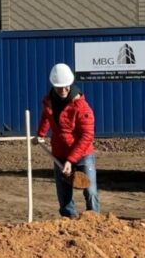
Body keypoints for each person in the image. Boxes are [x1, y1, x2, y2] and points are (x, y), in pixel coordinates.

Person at [37, 63, 100, 217]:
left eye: (66, 86)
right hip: (60, 153)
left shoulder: (82, 107)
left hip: (83, 155)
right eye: (60, 87)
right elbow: (47, 116)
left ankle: (94, 220)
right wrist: (40, 134)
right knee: (64, 194)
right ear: (53, 86)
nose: (64, 90)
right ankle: (69, 221)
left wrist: (71, 160)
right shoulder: (49, 102)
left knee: (90, 190)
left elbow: (87, 136)